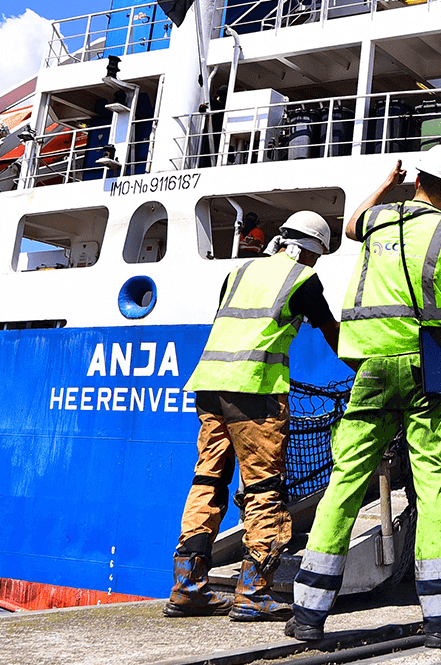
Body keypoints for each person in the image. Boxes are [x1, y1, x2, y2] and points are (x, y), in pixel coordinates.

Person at [288, 145, 441, 648]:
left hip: (371, 366)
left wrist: (387, 181)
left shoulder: (379, 219)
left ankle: (308, 615)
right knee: (434, 483)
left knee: (344, 482)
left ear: (418, 177)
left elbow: (350, 223)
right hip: (431, 368)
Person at [165, 210, 340, 619]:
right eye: (316, 255)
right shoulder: (302, 278)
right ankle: (253, 592)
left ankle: (188, 587)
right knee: (264, 487)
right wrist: (365, 370)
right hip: (255, 389)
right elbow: (332, 332)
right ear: (307, 249)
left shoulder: (240, 272)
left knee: (208, 477)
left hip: (210, 383)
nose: (315, 264)